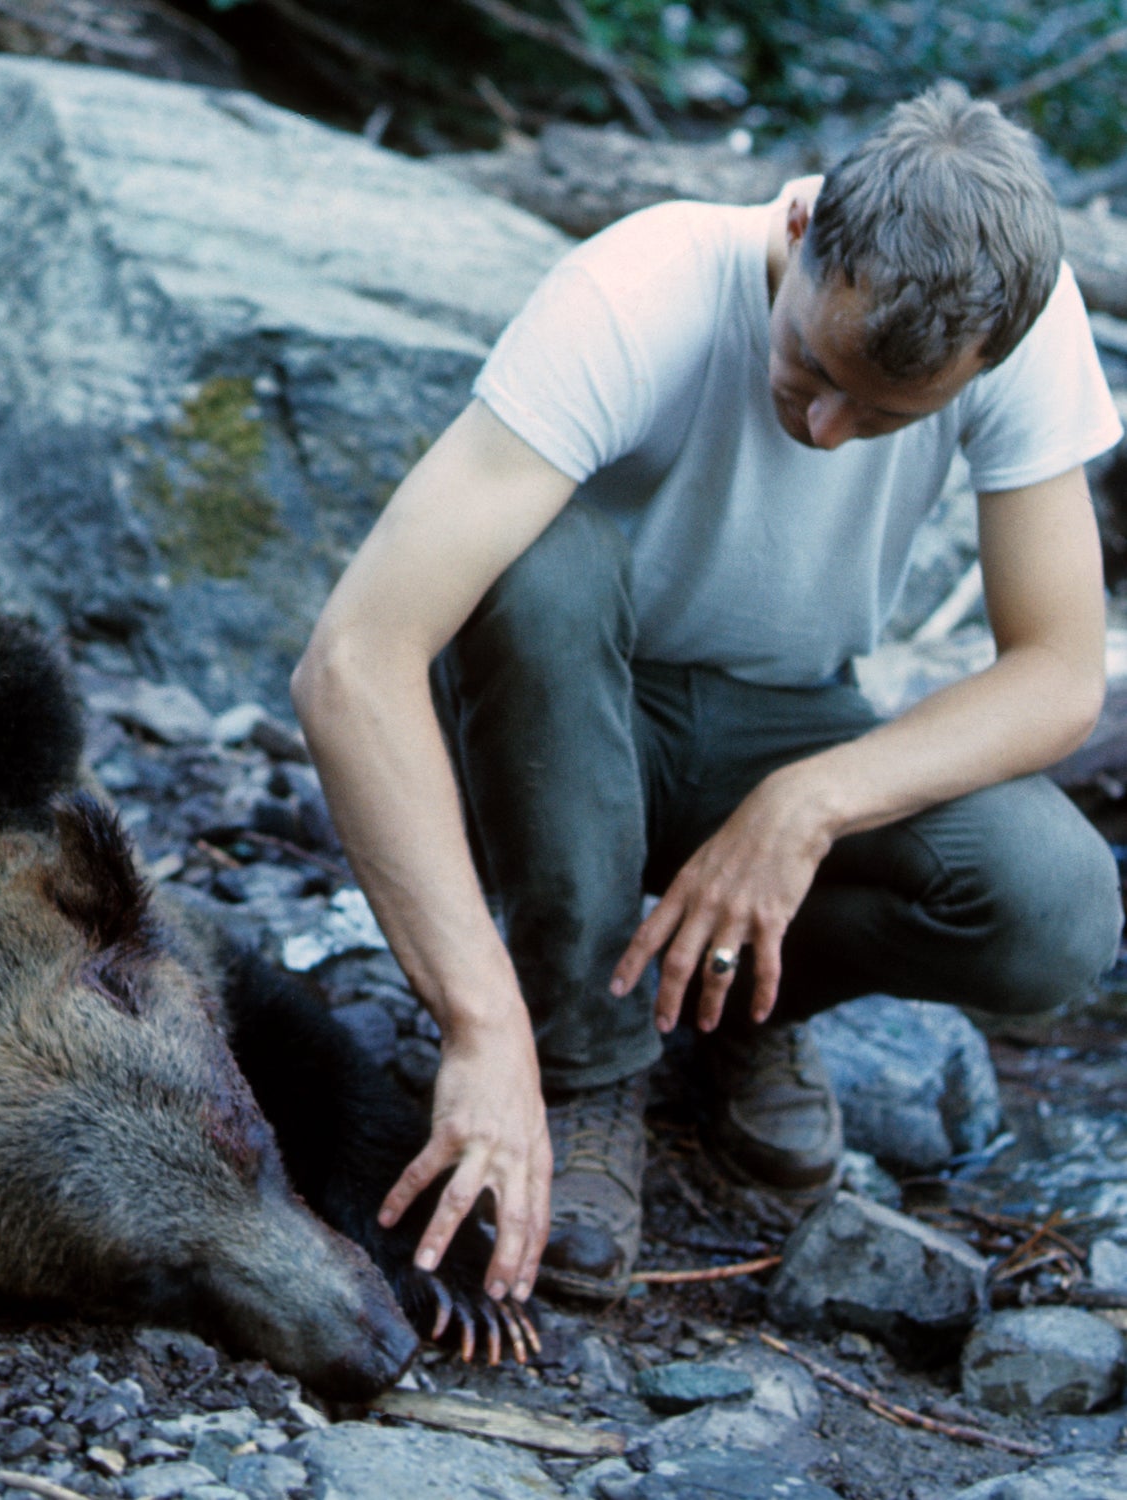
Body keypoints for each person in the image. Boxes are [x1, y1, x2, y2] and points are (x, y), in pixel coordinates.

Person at [290, 82, 1125, 1307]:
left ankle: (734, 1002)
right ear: (798, 230)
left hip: (785, 715)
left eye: (891, 417)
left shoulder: (1023, 326)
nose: (830, 428)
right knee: (539, 562)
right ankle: (581, 1058)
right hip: (555, 724)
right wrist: (482, 1031)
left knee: (1055, 906)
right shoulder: (639, 289)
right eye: (811, 367)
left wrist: (809, 801)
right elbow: (354, 660)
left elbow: (1059, 671)